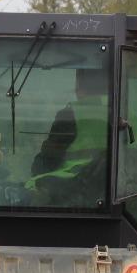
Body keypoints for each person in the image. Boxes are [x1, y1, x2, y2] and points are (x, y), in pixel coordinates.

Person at [26, 67, 110, 206]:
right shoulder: (126, 113)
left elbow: (49, 161)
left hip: (73, 187)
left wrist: (37, 163)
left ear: (79, 84)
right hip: (114, 191)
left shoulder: (73, 113)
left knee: (24, 194)